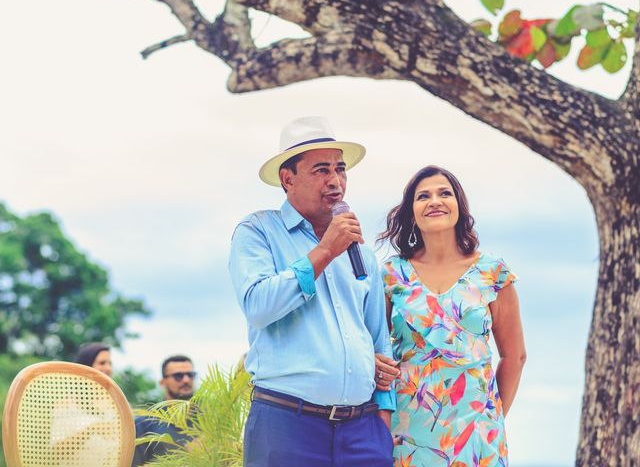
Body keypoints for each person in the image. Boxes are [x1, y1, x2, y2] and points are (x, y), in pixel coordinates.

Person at [229, 116, 398, 467]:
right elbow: (259, 306)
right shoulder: (258, 231)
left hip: (363, 431)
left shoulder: (361, 251)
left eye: (340, 169)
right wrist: (325, 252)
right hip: (287, 425)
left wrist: (383, 417)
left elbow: (378, 339)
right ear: (287, 178)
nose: (335, 181)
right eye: (321, 170)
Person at [377, 165, 526, 466]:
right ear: (412, 212)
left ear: (459, 205)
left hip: (477, 434)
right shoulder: (392, 274)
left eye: (444, 193)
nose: (435, 201)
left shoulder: (492, 272)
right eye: (423, 196)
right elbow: (374, 350)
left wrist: (489, 416)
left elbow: (514, 357)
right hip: (408, 433)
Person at [131, 354, 196, 467]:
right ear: (162, 382)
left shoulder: (210, 419)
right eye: (178, 376)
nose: (186, 380)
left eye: (190, 375)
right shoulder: (144, 424)